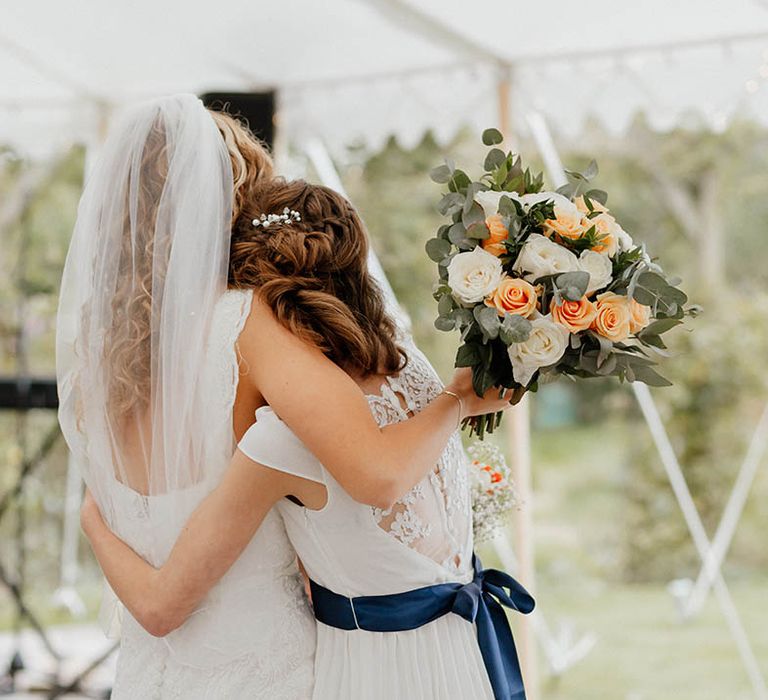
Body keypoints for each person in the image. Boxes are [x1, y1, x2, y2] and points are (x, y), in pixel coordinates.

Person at [61, 94, 513, 699]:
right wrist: (456, 400)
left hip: (150, 681)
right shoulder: (243, 323)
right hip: (266, 673)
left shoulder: (99, 359)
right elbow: (370, 466)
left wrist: (92, 521)